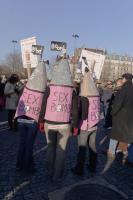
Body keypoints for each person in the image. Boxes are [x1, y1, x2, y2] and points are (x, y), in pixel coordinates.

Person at [44, 56, 78, 181]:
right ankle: (57, 175)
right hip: (64, 124)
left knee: (50, 148)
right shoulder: (72, 91)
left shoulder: (49, 88)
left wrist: (41, 120)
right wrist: (75, 125)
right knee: (61, 151)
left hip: (49, 122)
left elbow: (43, 104)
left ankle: (49, 171)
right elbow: (74, 110)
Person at [15, 61, 48, 174]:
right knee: (29, 144)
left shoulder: (25, 88)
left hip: (21, 119)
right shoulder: (43, 91)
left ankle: (19, 164)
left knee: (22, 142)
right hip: (32, 120)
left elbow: (18, 102)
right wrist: (41, 121)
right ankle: (28, 166)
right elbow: (43, 108)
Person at [71, 67, 100, 175]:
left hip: (85, 126)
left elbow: (81, 114)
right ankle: (93, 166)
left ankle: (79, 169)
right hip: (94, 125)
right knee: (92, 146)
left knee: (82, 148)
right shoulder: (96, 95)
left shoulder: (84, 97)